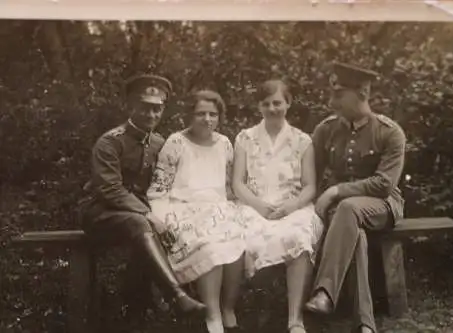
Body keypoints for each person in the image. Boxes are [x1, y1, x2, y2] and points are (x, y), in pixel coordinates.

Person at [80, 74, 205, 332]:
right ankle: (176, 296)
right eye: (145, 107)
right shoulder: (110, 141)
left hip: (139, 220)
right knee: (140, 223)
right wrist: (149, 213)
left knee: (173, 226)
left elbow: (167, 184)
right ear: (131, 106)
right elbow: (109, 189)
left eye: (157, 108)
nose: (151, 114)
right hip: (101, 213)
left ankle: (138, 312)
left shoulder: (160, 143)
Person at [303, 62, 406, 333]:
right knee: (355, 235)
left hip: (382, 206)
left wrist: (336, 190)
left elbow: (384, 184)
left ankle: (325, 292)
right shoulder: (326, 129)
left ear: (362, 92)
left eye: (339, 95)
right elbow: (310, 177)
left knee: (348, 207)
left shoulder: (389, 131)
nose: (331, 101)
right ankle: (365, 324)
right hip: (343, 215)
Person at [147, 90, 246, 333]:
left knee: (240, 240)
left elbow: (227, 186)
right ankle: (212, 316)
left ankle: (228, 309)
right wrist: (163, 217)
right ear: (190, 115)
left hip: (219, 207)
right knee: (210, 245)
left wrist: (235, 210)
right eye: (201, 113)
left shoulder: (224, 143)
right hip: (182, 209)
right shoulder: (176, 142)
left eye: (213, 114)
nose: (207, 119)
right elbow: (159, 188)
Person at [232, 79, 324, 333]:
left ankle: (294, 319)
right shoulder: (245, 138)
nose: (272, 108)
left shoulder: (301, 140)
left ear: (288, 103)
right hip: (254, 205)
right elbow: (238, 183)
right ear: (258, 106)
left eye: (277, 103)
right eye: (266, 104)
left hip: (292, 207)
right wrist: (258, 206)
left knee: (298, 235)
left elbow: (310, 186)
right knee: (247, 239)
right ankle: (255, 308)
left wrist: (291, 206)